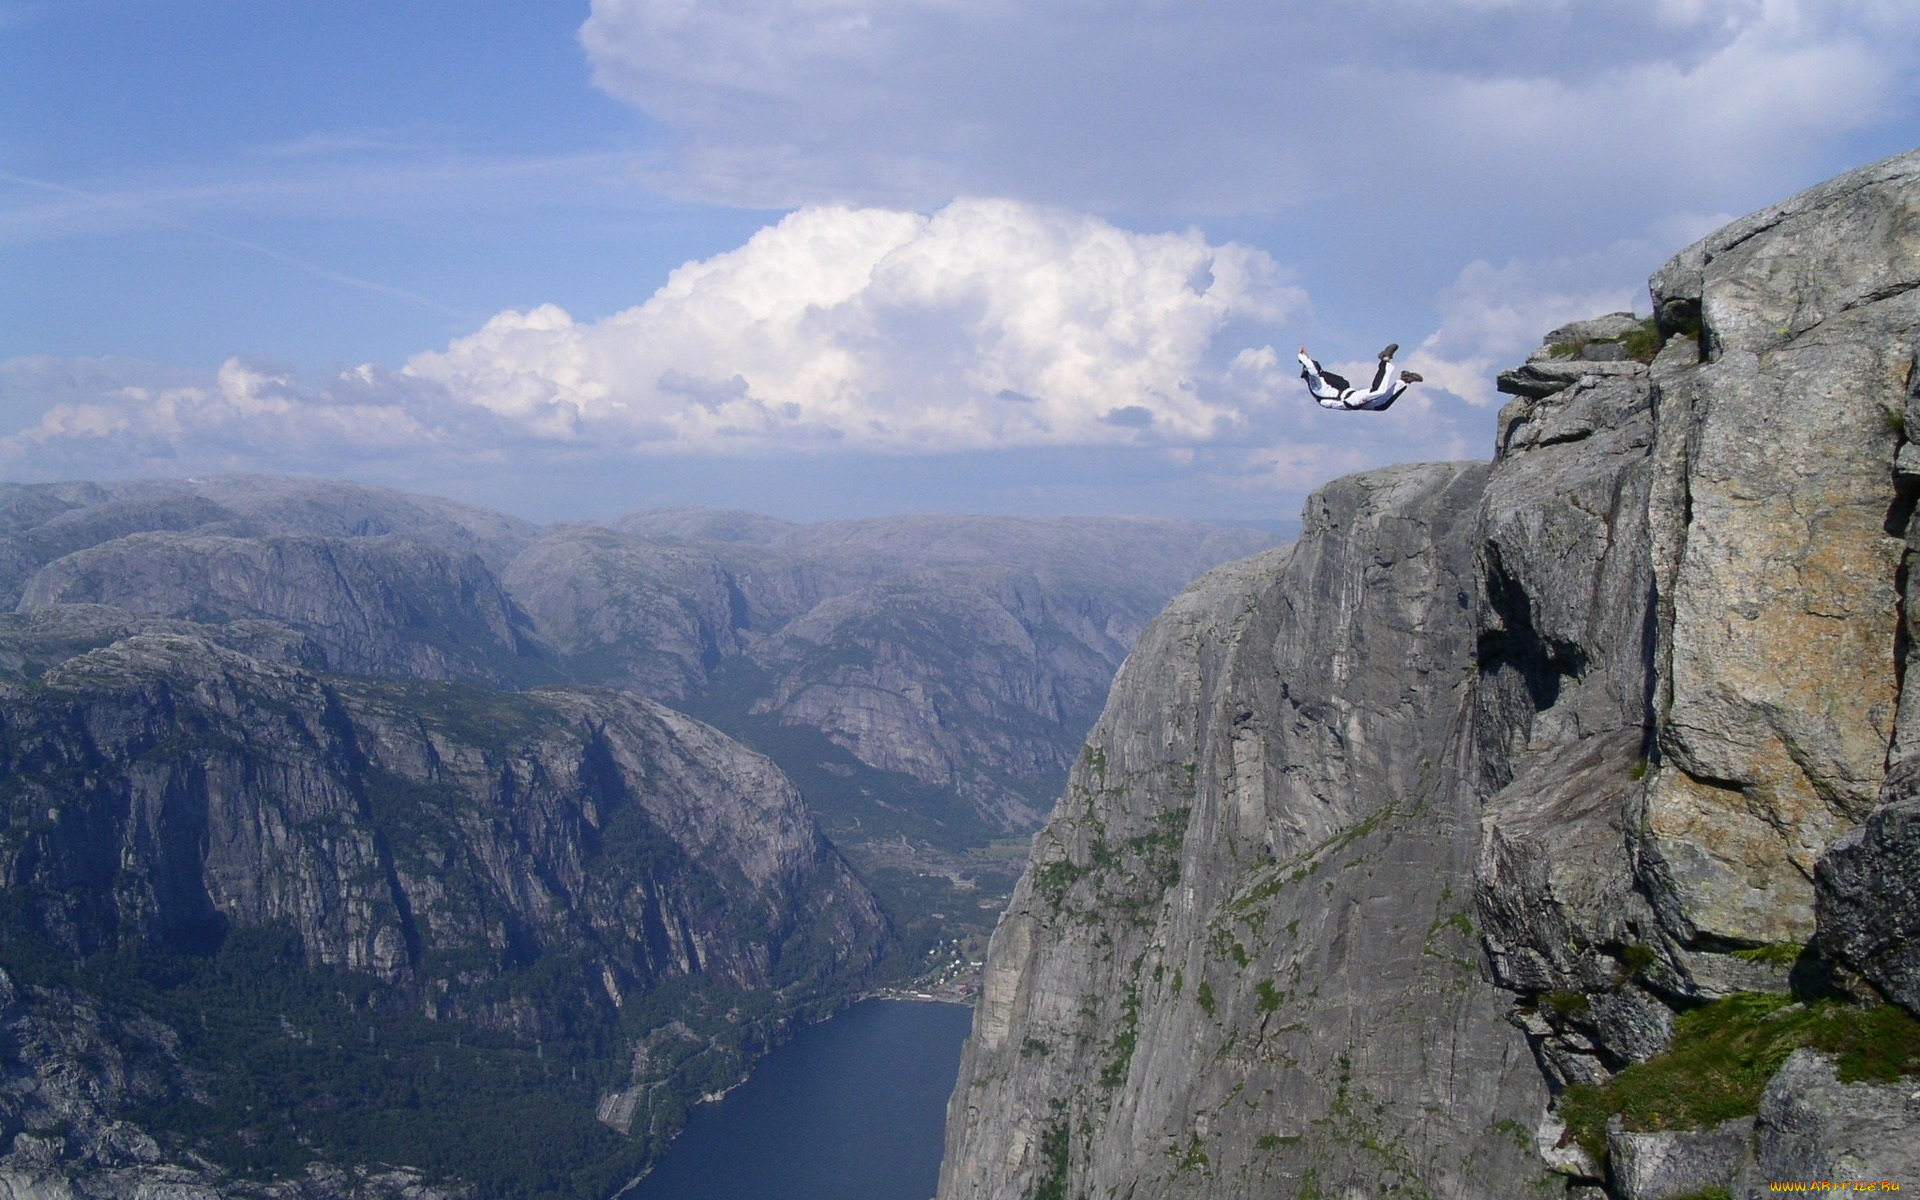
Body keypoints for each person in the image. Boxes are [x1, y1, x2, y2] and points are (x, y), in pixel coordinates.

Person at [1298, 343, 1422, 411]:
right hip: (1350, 401)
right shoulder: (1316, 382)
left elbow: (1312, 369)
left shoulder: (1316, 381)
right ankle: (1404, 380)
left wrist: (1302, 357)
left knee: (1378, 391)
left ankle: (1385, 359)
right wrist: (1305, 359)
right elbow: (1312, 369)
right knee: (1381, 405)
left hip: (1350, 399)